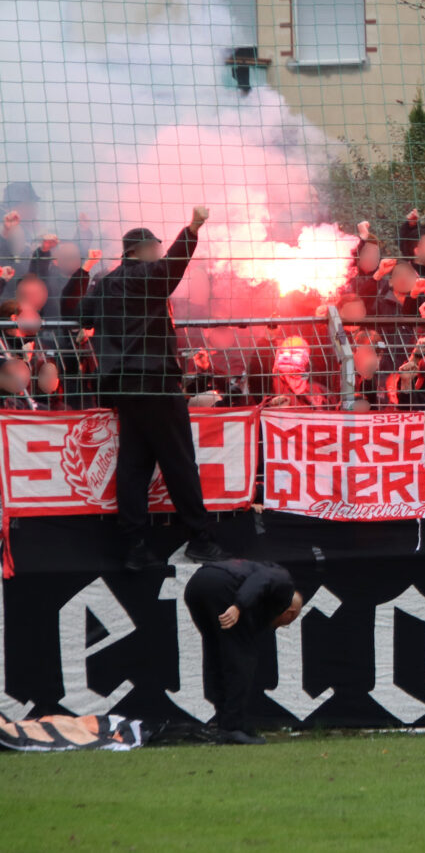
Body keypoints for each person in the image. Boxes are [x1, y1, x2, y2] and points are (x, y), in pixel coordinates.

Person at [75, 207, 227, 570]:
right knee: (180, 462)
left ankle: (135, 547)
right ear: (139, 251)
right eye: (154, 248)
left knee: (134, 467)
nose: (158, 253)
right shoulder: (145, 276)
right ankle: (200, 539)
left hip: (124, 388)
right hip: (155, 383)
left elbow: (82, 314)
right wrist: (192, 229)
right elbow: (171, 268)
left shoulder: (106, 283)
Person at [182, 559, 302, 745]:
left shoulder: (258, 576)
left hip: (196, 584)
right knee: (241, 657)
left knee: (216, 651)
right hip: (222, 587)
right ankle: (232, 726)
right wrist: (238, 606)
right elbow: (261, 580)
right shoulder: (283, 582)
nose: (277, 626)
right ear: (290, 613)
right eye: (284, 623)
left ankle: (222, 720)